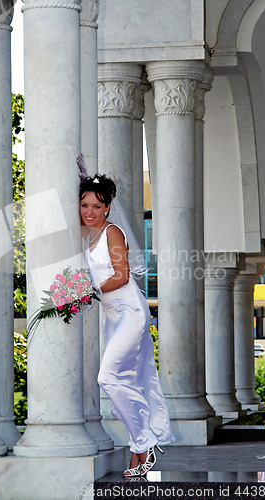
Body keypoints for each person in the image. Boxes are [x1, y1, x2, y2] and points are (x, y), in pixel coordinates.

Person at [78, 157, 174, 477]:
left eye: (96, 206)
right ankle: (138, 447)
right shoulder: (86, 235)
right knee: (122, 379)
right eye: (84, 205)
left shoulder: (112, 232)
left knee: (107, 377)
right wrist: (80, 175)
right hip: (112, 315)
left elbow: (121, 275)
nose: (90, 211)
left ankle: (143, 442)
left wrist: (89, 289)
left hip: (131, 312)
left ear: (107, 208)